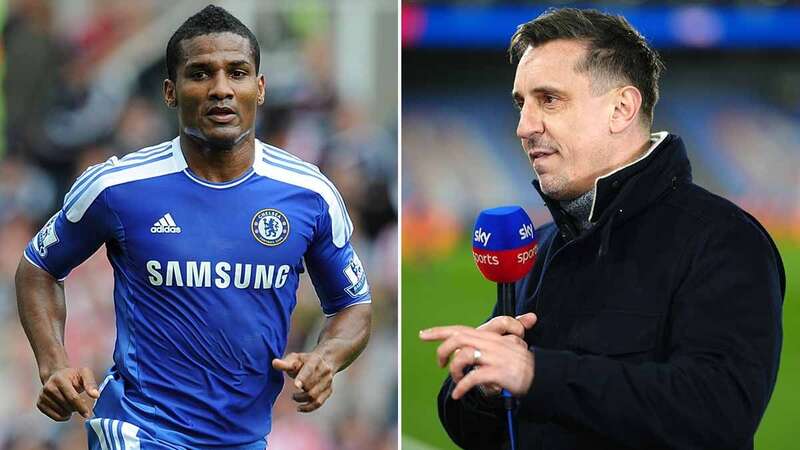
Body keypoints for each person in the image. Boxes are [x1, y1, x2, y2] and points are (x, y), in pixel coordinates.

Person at [421, 8, 784, 450]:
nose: (523, 126)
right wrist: (483, 388)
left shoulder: (723, 239)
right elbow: (488, 432)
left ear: (621, 109)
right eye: (521, 103)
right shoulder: (545, 244)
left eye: (549, 99)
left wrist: (537, 373)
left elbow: (720, 413)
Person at [15, 5, 372, 449]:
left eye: (237, 73)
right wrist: (53, 364)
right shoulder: (118, 187)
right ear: (170, 91)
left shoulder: (309, 194)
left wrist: (327, 357)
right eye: (200, 74)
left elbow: (353, 305)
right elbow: (38, 268)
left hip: (244, 439)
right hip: (138, 429)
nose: (221, 89)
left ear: (259, 88)